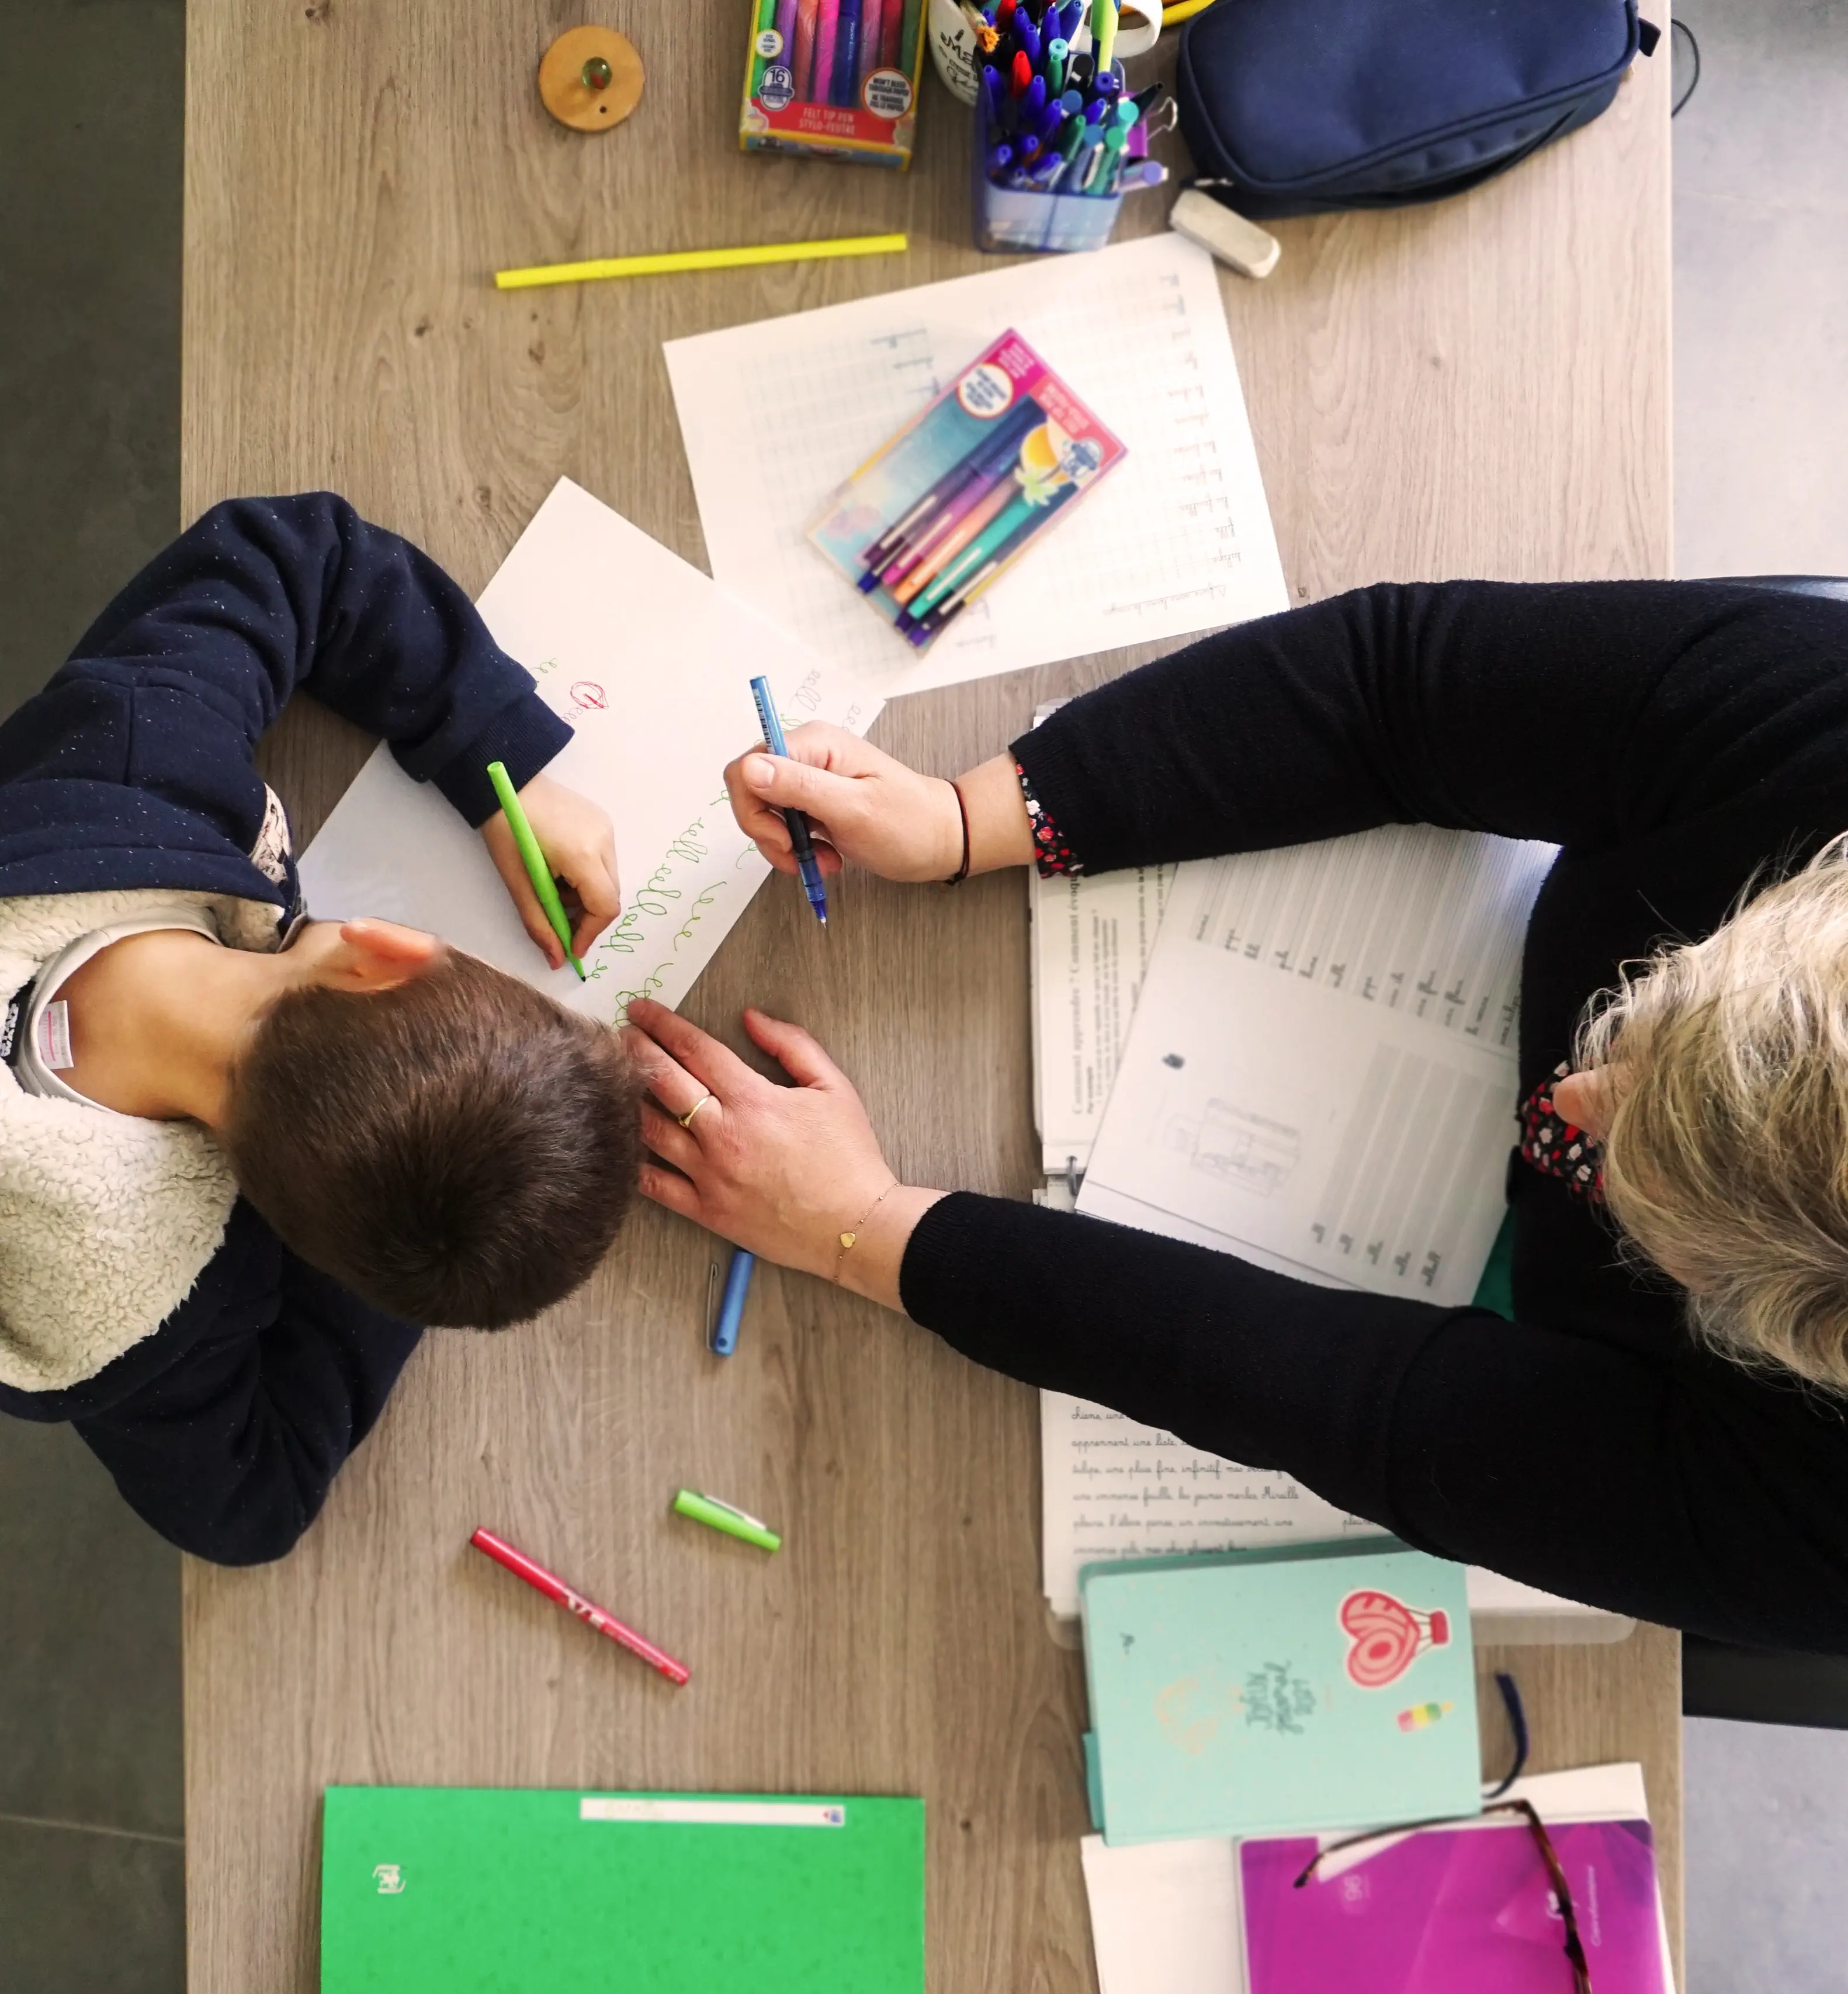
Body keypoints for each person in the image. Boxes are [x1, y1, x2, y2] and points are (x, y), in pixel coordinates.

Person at [626, 579, 1848, 1653]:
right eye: (1648, 1002)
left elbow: (1363, 1408)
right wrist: (964, 822)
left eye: (1626, 1170)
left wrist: (865, 1224)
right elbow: (1400, 688)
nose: (1569, 1099)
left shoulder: (1819, 1531)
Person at [0, 495, 642, 1566]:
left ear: (383, 950)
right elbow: (250, 1509)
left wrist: (503, 761)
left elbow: (292, 555)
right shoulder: (152, 1315)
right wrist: (389, 1231)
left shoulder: (130, 771)